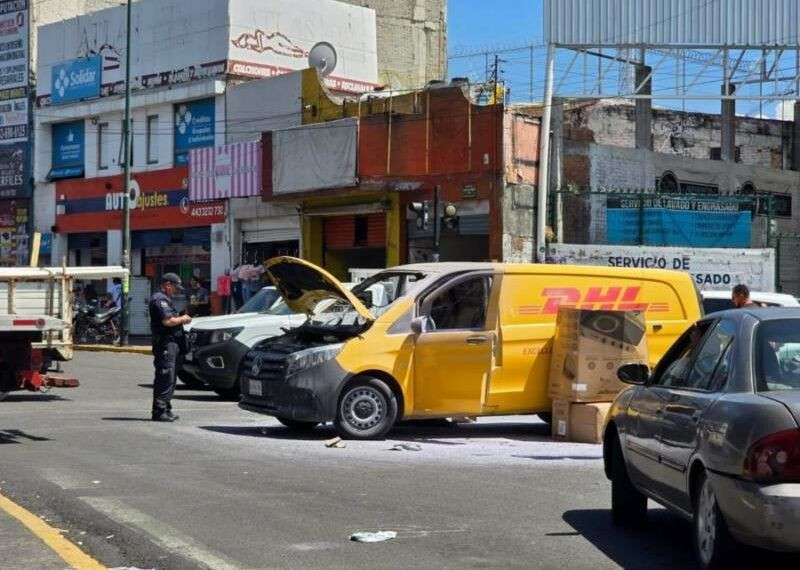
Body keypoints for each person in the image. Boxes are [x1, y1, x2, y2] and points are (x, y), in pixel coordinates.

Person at [149, 273, 192, 422]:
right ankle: (159, 410)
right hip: (165, 344)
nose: (175, 291)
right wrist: (183, 319)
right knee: (165, 376)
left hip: (171, 343)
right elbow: (168, 321)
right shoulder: (159, 299)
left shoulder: (165, 299)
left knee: (171, 377)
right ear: (167, 284)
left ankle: (166, 408)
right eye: (174, 287)